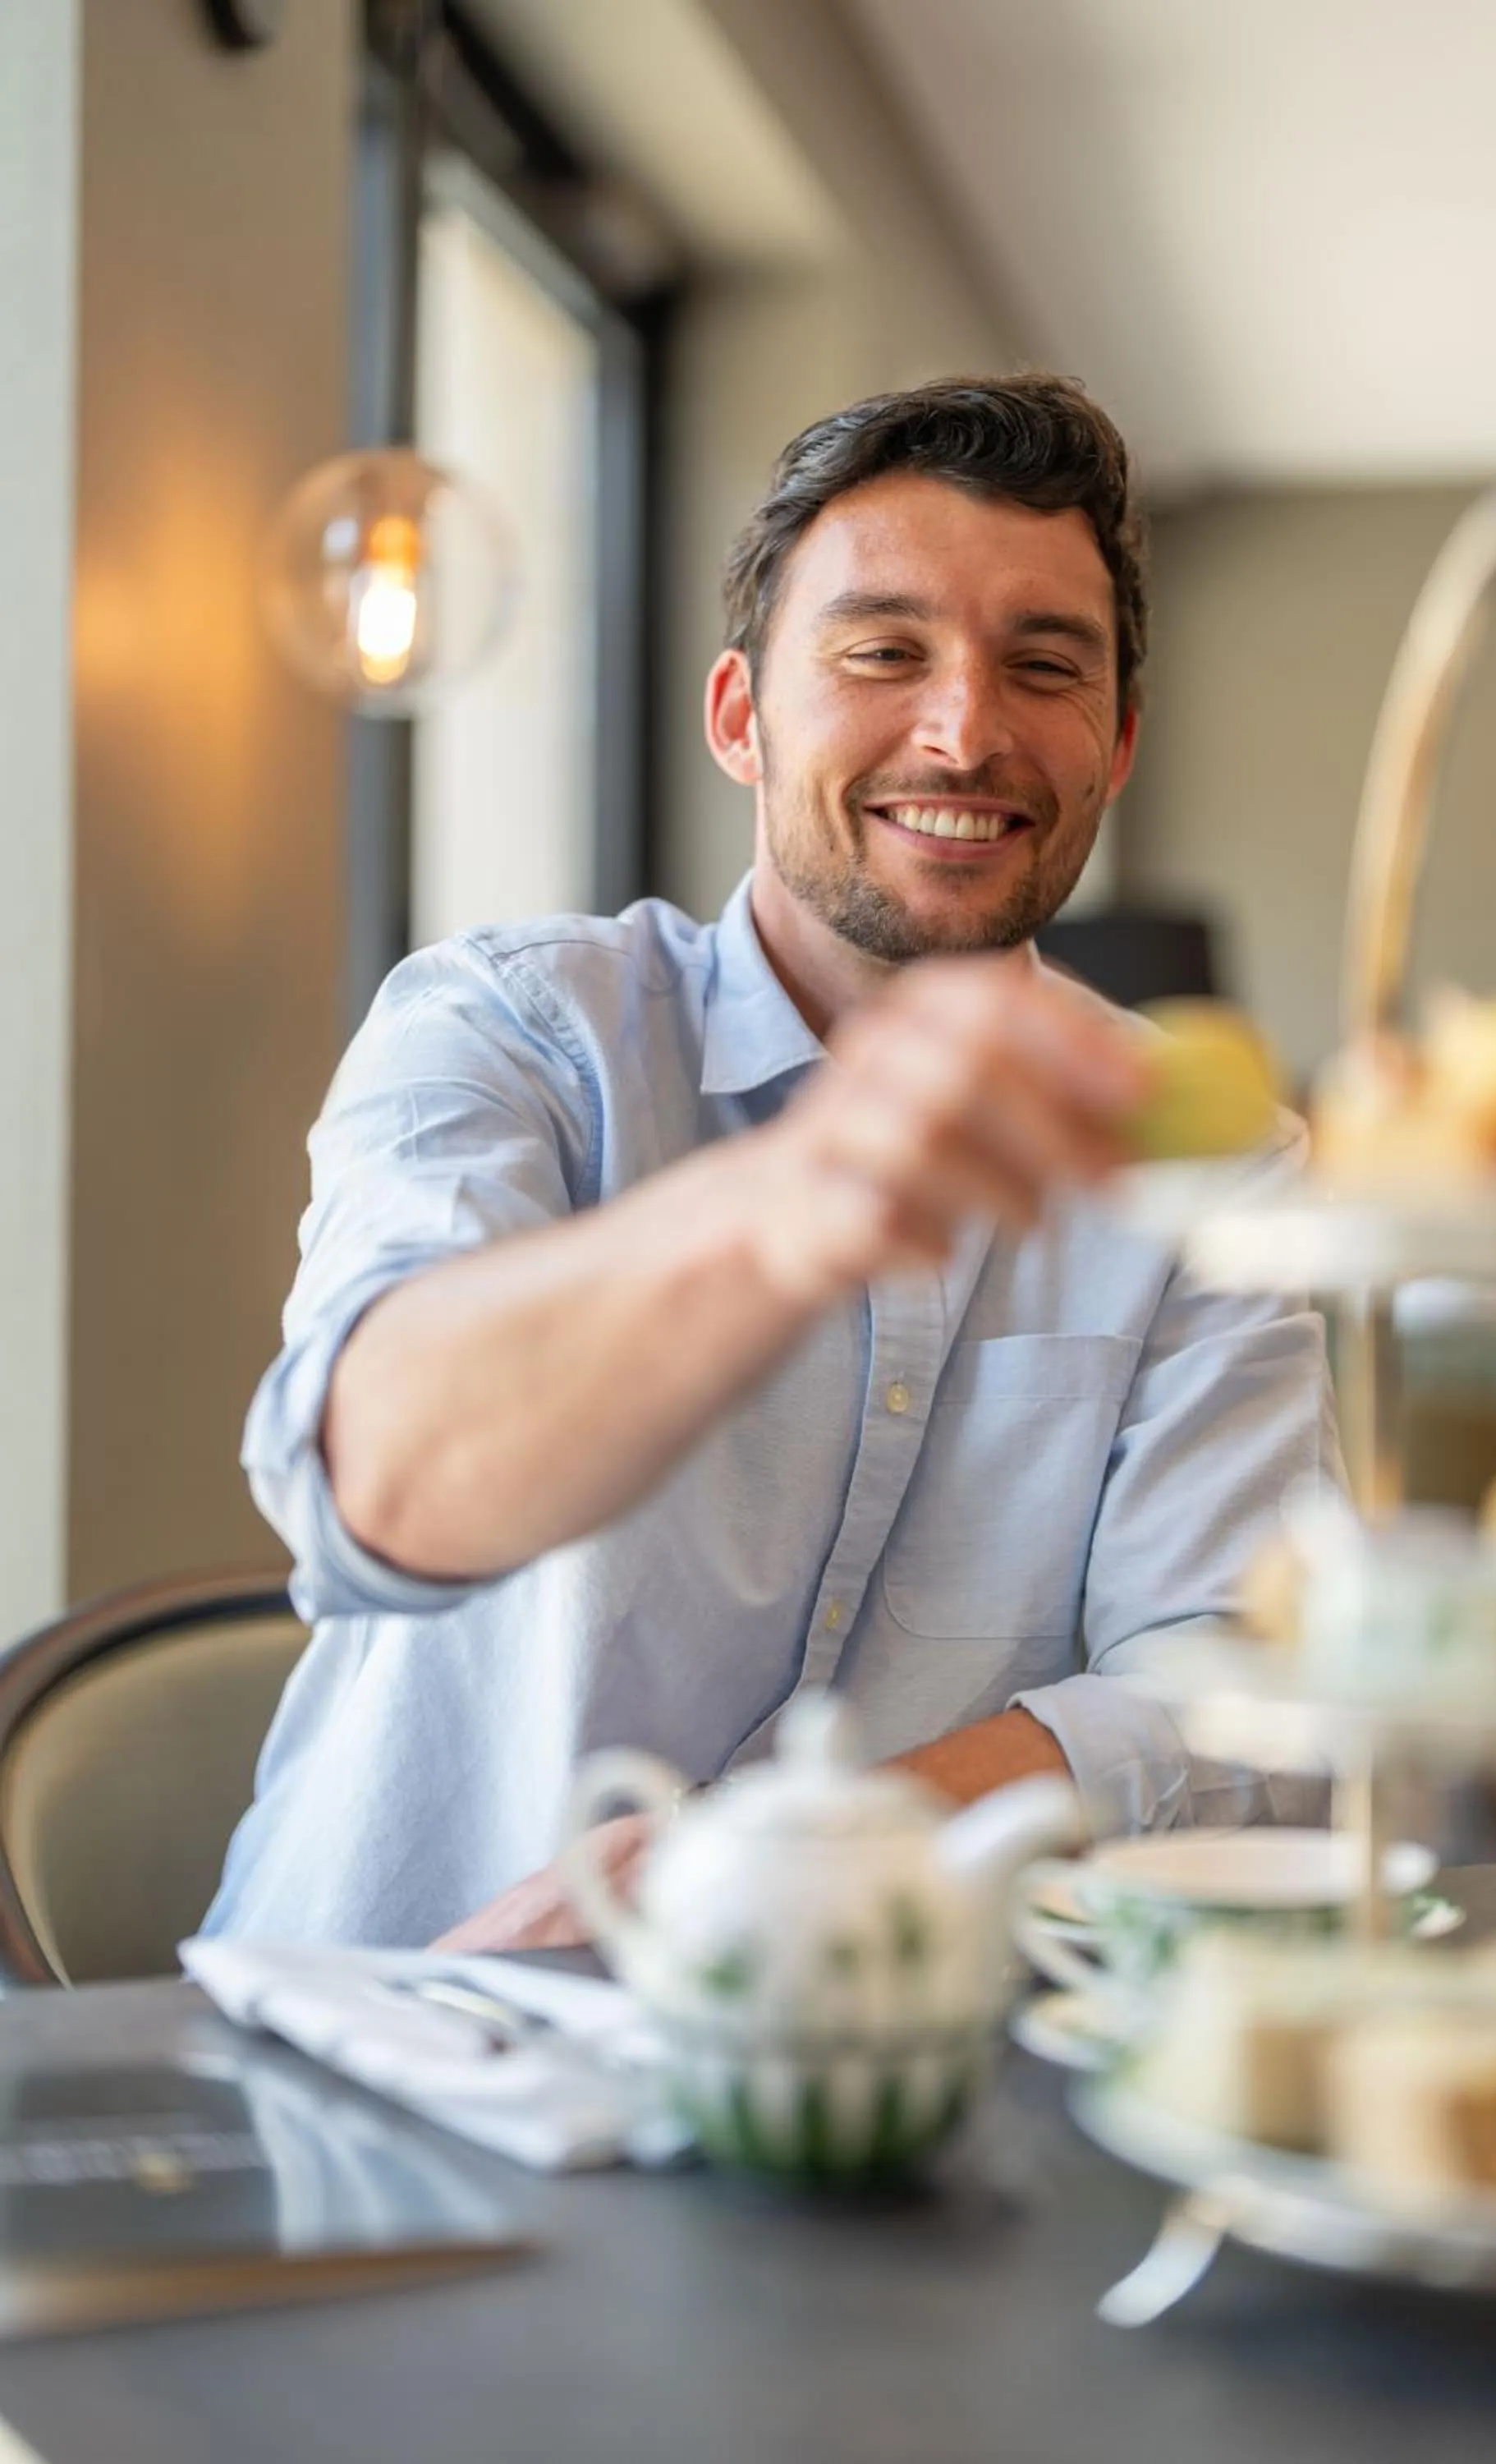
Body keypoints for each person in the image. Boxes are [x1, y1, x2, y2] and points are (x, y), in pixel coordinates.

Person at [204, 373, 1339, 1951]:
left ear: (1118, 744)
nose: (965, 729)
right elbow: (371, 1484)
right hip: (395, 2039)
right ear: (741, 717)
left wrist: (804, 1852)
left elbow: (1242, 1688)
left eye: (1045, 666)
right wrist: (795, 1204)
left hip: (888, 2087)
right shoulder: (511, 1025)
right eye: (882, 652)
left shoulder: (1208, 1159)